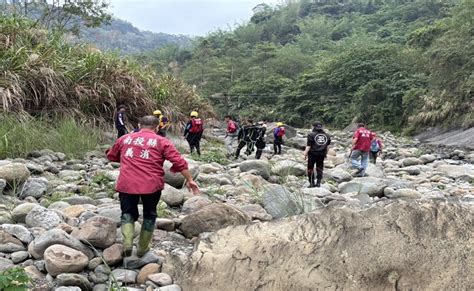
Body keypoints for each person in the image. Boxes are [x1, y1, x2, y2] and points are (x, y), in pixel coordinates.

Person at [106, 115, 200, 257]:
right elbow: (179, 162)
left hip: (127, 183)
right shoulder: (162, 142)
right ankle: (142, 249)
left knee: (127, 213)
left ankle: (127, 243)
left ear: (139, 124)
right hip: (151, 184)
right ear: (157, 127)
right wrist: (190, 179)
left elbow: (112, 156)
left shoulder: (125, 139)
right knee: (149, 214)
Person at [304, 122, 331, 187]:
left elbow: (308, 146)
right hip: (321, 154)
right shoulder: (327, 135)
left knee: (310, 168)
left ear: (313, 127)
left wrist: (304, 154)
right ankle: (318, 183)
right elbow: (327, 146)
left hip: (312, 154)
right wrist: (326, 154)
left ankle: (311, 183)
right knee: (319, 168)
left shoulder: (311, 134)